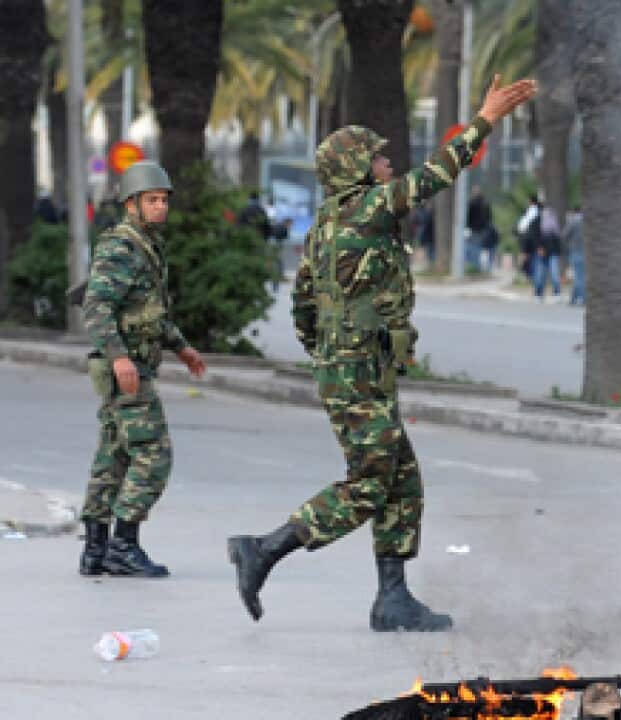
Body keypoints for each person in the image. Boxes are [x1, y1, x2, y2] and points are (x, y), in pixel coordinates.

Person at [226, 75, 537, 632]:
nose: (387, 165)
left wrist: (333, 352)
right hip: (355, 371)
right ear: (356, 171)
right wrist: (484, 119)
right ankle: (264, 550)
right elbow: (433, 178)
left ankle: (392, 599)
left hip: (350, 368)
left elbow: (302, 305)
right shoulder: (366, 209)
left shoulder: (326, 224)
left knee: (403, 479)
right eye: (377, 159)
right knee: (370, 482)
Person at [78, 160, 207, 578]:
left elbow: (148, 313)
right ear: (131, 204)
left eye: (164, 200)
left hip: (130, 366)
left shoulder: (144, 245)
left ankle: (95, 548)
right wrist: (119, 357)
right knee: (154, 454)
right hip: (126, 369)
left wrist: (182, 348)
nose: (161, 207)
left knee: (114, 455)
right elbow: (97, 308)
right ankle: (123, 544)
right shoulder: (121, 247)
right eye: (152, 200)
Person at [534, 204, 562, 298]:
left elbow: (558, 240)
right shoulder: (538, 223)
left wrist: (558, 252)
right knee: (541, 274)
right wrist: (539, 248)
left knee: (554, 273)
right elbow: (536, 237)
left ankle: (556, 292)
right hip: (542, 252)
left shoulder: (554, 225)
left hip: (552, 252)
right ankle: (539, 292)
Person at [465, 186, 495, 272]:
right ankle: (483, 267)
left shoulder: (471, 203)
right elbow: (490, 217)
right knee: (482, 249)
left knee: (473, 248)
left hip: (474, 229)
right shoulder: (485, 202)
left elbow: (468, 216)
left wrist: (467, 227)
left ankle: (475, 267)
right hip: (484, 229)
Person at [563, 206, 585, 305]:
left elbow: (564, 235)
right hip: (586, 251)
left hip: (575, 250)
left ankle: (582, 298)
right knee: (581, 275)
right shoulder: (589, 222)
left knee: (578, 276)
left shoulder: (573, 222)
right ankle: (573, 298)